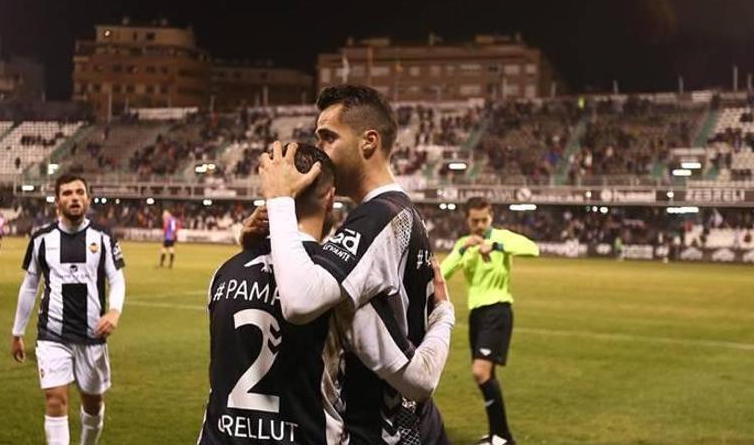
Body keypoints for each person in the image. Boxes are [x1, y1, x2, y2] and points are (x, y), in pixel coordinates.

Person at [202, 144, 455, 444]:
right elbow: (418, 380)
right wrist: (443, 314)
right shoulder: (339, 291)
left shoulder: (223, 274)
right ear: (330, 197)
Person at [252, 84, 451, 443]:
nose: (321, 151)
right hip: (412, 425)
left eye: (329, 137)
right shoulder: (400, 213)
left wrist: (279, 201)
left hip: (384, 432)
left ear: (368, 142)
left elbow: (300, 300)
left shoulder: (380, 216)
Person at [10, 174, 127, 445]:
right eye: (67, 193)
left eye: (79, 192)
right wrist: (17, 331)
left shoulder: (103, 237)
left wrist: (114, 311)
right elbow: (29, 286)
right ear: (57, 201)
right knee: (55, 400)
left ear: (87, 199)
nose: (74, 197)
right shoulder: (41, 239)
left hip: (92, 335)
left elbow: (117, 279)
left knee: (93, 404)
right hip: (52, 334)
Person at [440, 197, 540, 445]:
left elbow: (532, 248)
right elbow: (443, 273)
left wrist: (495, 246)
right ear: (467, 220)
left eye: (484, 220)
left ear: (491, 217)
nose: (480, 225)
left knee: (480, 372)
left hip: (498, 311)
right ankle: (499, 435)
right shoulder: (465, 244)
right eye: (475, 221)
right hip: (477, 316)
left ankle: (502, 436)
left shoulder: (501, 238)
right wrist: (464, 250)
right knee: (487, 375)